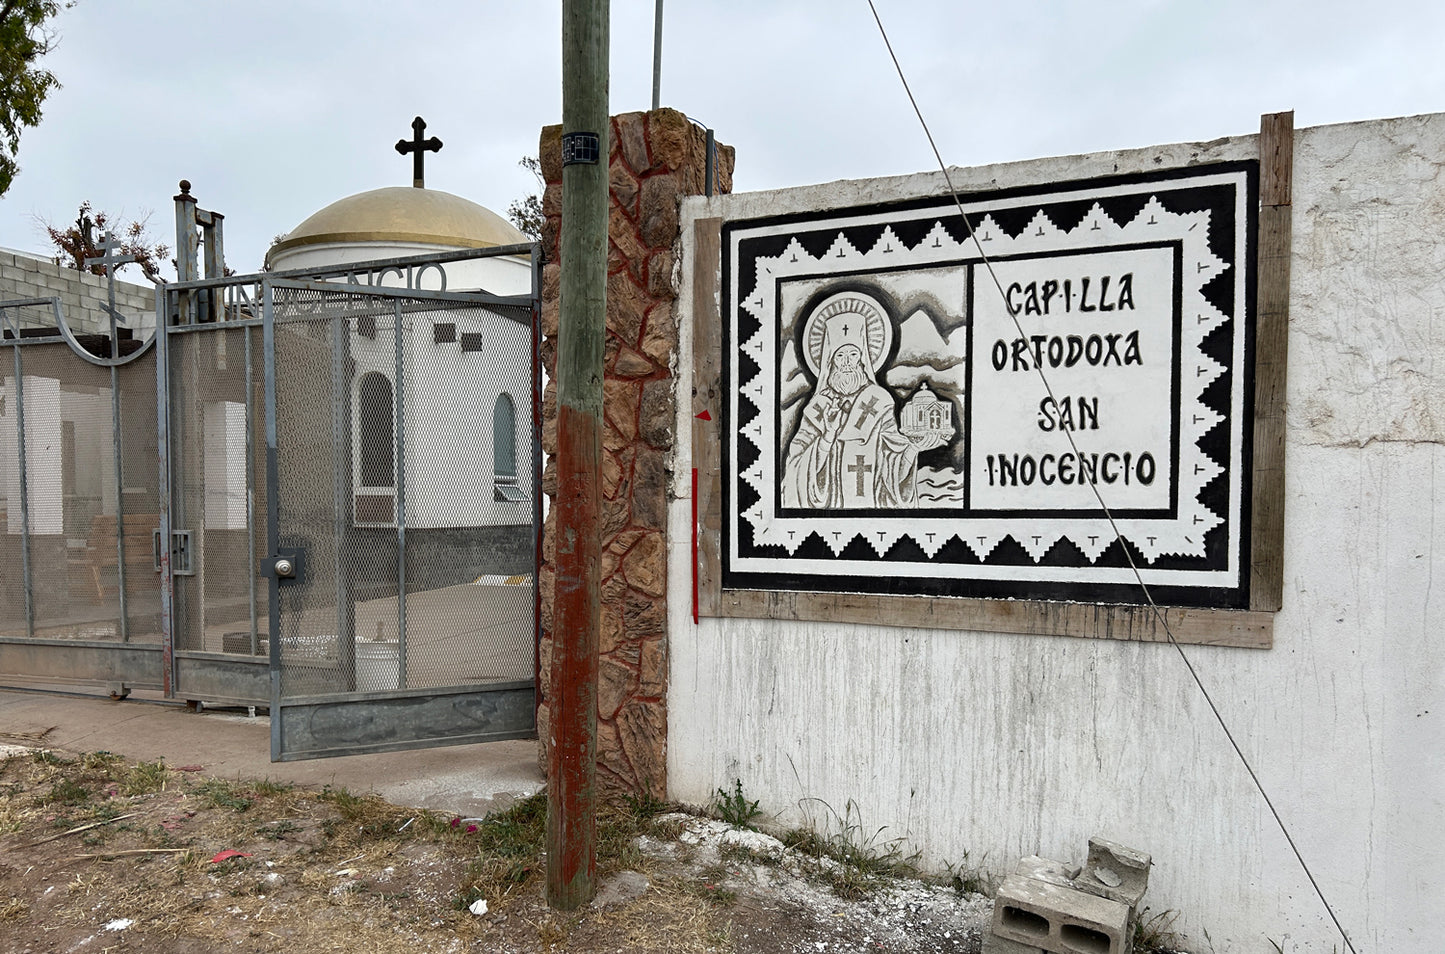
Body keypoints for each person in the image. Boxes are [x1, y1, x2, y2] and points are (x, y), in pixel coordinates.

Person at [782, 307, 945, 510]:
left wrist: (912, 449)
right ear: (830, 360)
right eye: (841, 355)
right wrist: (827, 438)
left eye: (853, 354)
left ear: (863, 357)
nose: (848, 363)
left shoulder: (879, 401)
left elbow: (892, 462)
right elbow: (795, 466)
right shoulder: (817, 408)